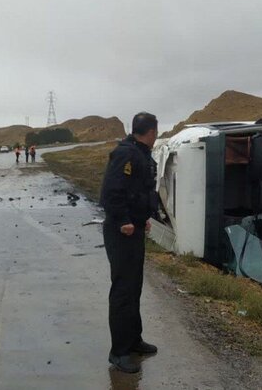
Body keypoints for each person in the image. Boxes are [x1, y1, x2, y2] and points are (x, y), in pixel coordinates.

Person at [99, 112, 159, 374]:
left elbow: (140, 191)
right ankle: (119, 352)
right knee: (123, 290)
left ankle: (133, 340)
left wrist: (143, 217)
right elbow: (112, 191)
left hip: (134, 228)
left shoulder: (141, 153)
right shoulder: (126, 153)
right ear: (152, 132)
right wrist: (123, 219)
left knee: (134, 286)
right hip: (120, 231)